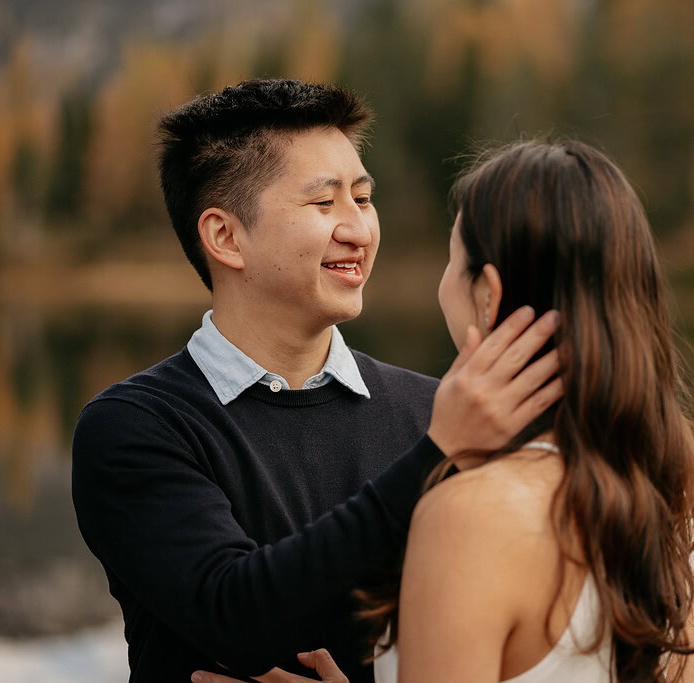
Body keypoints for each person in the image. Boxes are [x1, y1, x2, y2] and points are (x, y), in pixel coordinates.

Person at [71, 80, 562, 683]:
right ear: (225, 237)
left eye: (364, 198)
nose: (359, 229)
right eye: (324, 203)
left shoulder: (433, 410)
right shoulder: (136, 427)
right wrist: (438, 454)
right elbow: (232, 613)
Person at [197, 139, 694, 683]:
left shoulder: (469, 515)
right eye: (324, 202)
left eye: (452, 259)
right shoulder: (665, 497)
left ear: (488, 295)